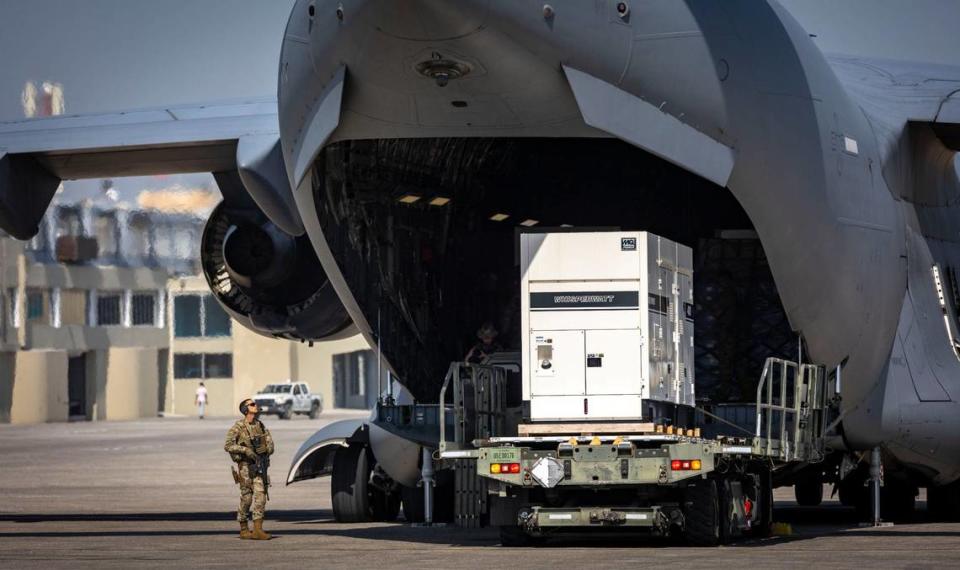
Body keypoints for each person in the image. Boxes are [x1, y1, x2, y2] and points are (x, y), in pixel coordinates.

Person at [224, 399, 275, 540]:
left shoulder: (261, 426)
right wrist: (245, 450)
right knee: (247, 498)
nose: (255, 406)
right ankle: (244, 528)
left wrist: (267, 449)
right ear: (246, 409)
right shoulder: (238, 427)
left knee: (261, 495)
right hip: (245, 467)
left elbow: (271, 445)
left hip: (259, 466)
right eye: (252, 404)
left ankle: (258, 529)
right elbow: (228, 445)